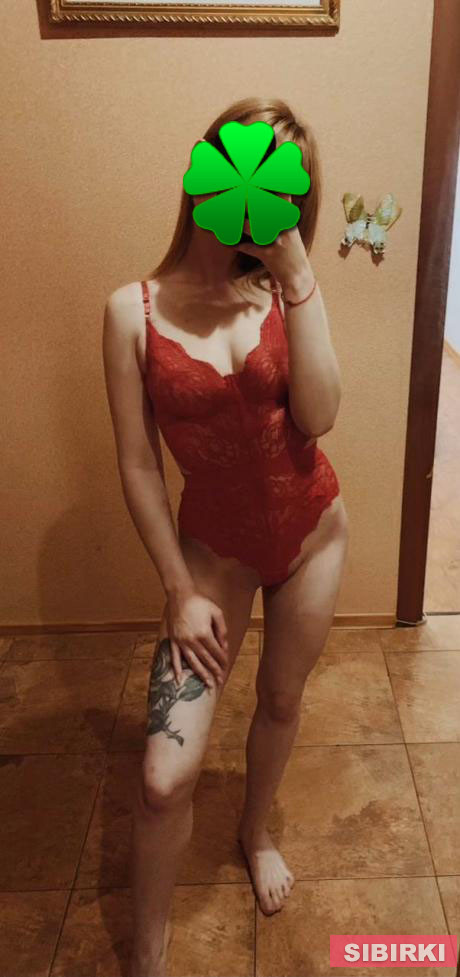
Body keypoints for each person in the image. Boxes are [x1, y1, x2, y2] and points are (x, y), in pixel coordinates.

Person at [102, 96, 349, 977]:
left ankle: (255, 831)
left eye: (284, 182)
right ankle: (150, 952)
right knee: (162, 778)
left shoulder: (282, 291)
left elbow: (318, 416)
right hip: (211, 557)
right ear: (208, 166)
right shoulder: (131, 310)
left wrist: (300, 275)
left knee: (281, 698)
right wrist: (177, 588)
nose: (261, 194)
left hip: (313, 532)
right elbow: (139, 464)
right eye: (249, 165)